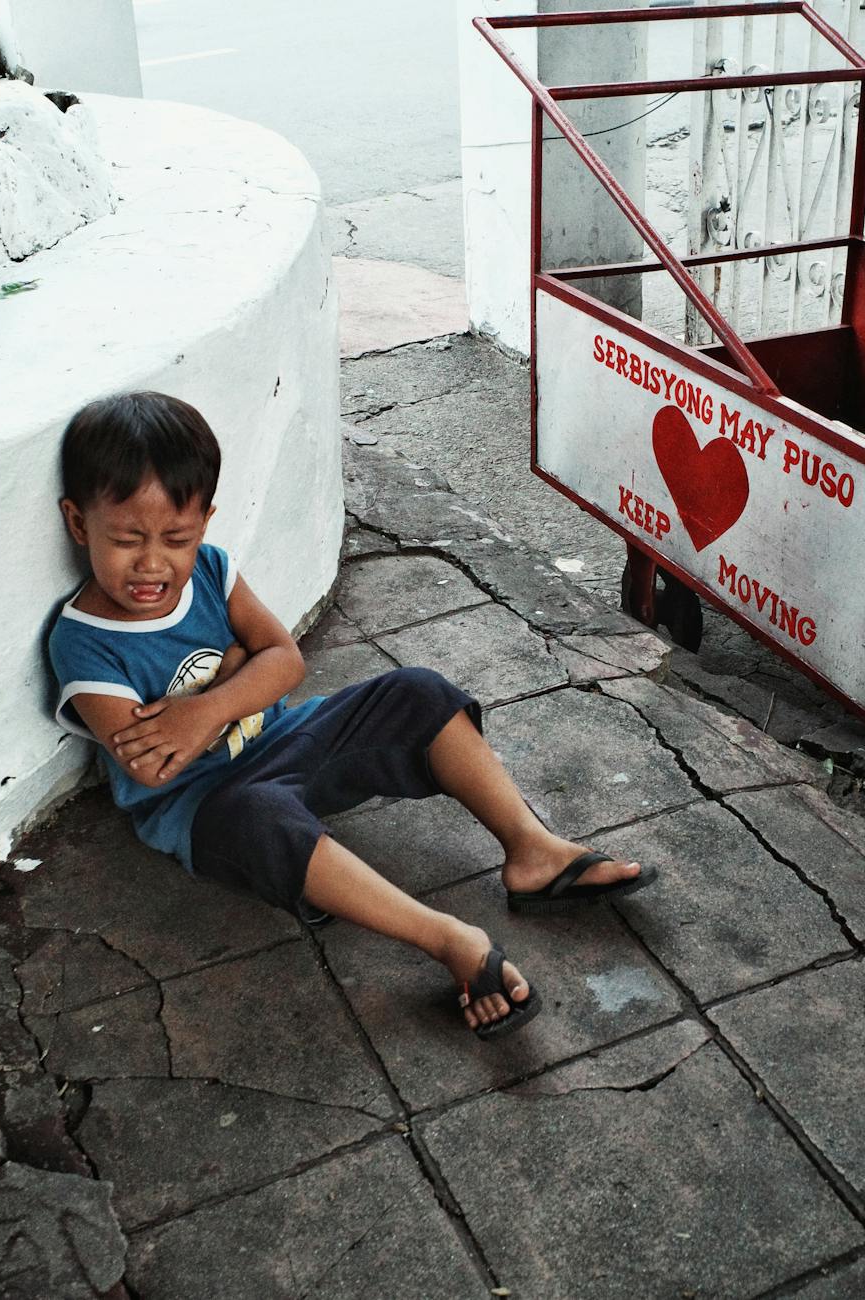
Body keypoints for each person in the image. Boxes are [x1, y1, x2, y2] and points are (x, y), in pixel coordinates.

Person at [45, 392, 650, 1039]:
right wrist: (235, 668)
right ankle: (445, 937)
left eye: (177, 538)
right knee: (259, 818)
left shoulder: (214, 571)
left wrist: (214, 701)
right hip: (204, 805)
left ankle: (533, 852)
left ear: (205, 522)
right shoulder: (83, 641)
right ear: (80, 524)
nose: (152, 563)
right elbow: (157, 766)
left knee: (417, 691)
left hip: (282, 737)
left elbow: (285, 661)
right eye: (127, 539)